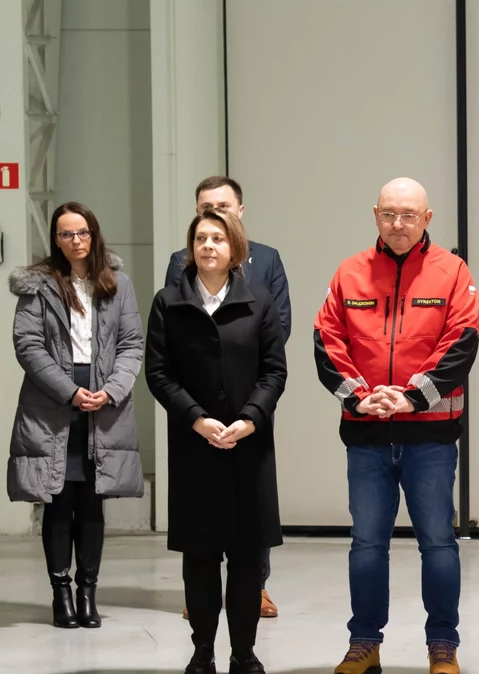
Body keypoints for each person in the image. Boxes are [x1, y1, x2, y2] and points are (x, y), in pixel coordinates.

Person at [314, 177, 479, 674]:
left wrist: (408, 399)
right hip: (366, 435)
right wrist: (362, 399)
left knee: (438, 542)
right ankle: (364, 643)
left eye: (409, 215)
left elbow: (461, 345)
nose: (398, 224)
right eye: (389, 214)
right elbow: (327, 341)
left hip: (430, 436)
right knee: (367, 543)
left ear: (427, 219)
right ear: (375, 215)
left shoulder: (452, 273)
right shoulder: (350, 272)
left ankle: (442, 646)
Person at [146, 208, 287, 674]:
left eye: (218, 239)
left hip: (248, 448)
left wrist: (249, 420)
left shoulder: (259, 301)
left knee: (247, 558)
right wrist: (197, 419)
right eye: (201, 238)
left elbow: (274, 372)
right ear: (191, 248)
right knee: (201, 557)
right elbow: (158, 373)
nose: (208, 246)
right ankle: (202, 652)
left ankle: (243, 653)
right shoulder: (168, 302)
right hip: (194, 449)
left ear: (234, 250)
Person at [8, 202, 145, 629]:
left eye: (82, 232)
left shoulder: (118, 283)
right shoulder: (40, 285)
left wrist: (112, 390)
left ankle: (88, 592)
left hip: (105, 402)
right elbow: (28, 345)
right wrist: (70, 392)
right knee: (58, 500)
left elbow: (132, 343)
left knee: (91, 502)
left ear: (94, 233)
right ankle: (60, 594)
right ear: (55, 239)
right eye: (66, 234)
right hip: (55, 403)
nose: (76, 241)